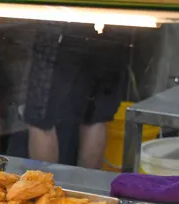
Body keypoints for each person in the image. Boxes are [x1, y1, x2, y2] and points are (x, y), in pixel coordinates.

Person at [23, 23, 130, 169]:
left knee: (40, 118)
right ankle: (87, 183)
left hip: (63, 27)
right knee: (94, 117)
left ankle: (44, 183)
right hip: (110, 28)